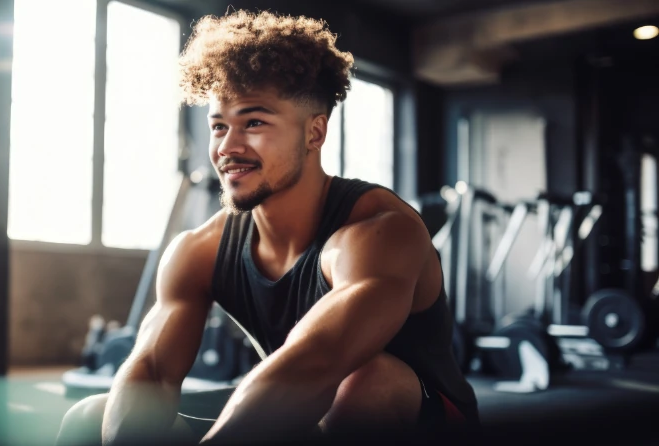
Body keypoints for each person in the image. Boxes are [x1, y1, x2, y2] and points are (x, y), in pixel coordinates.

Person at [56, 9, 479, 446]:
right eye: (219, 126)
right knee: (92, 417)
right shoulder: (200, 249)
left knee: (367, 383)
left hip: (424, 420)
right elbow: (153, 372)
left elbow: (317, 363)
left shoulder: (378, 233)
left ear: (315, 133)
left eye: (254, 122)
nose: (227, 147)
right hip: (301, 409)